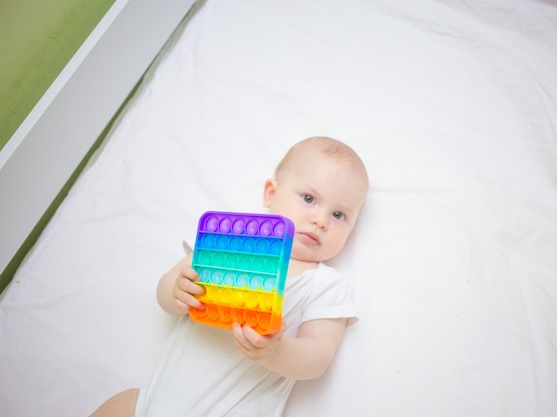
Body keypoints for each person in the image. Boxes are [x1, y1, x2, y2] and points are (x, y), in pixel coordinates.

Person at [89, 136, 369, 417]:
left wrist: (278, 352)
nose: (320, 220)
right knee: (123, 403)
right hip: (150, 406)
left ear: (352, 230)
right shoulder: (227, 242)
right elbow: (165, 295)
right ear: (271, 193)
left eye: (338, 215)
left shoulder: (325, 285)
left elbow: (318, 357)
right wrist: (177, 290)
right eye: (309, 199)